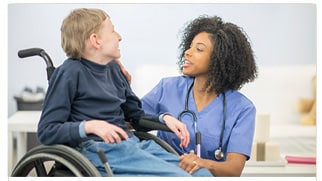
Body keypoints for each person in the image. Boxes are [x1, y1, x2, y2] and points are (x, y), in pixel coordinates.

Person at [37, 8, 212, 177]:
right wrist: (91, 126)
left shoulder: (114, 69)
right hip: (100, 151)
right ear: (95, 40)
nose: (119, 37)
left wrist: (164, 118)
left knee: (202, 174)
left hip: (131, 145)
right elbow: (47, 131)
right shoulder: (69, 73)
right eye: (113, 32)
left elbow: (136, 118)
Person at [140, 15, 258, 176]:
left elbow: (234, 169)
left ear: (220, 57)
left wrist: (203, 163)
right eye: (189, 46)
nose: (187, 52)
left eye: (199, 49)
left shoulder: (243, 108)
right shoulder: (167, 88)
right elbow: (129, 121)